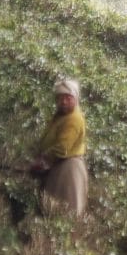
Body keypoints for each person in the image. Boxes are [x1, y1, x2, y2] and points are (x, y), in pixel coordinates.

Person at [28, 76, 88, 219]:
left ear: (76, 98)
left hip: (68, 170)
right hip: (58, 167)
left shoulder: (74, 119)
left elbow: (62, 148)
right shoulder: (61, 116)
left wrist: (42, 161)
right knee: (51, 210)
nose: (64, 101)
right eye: (61, 98)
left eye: (68, 98)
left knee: (65, 212)